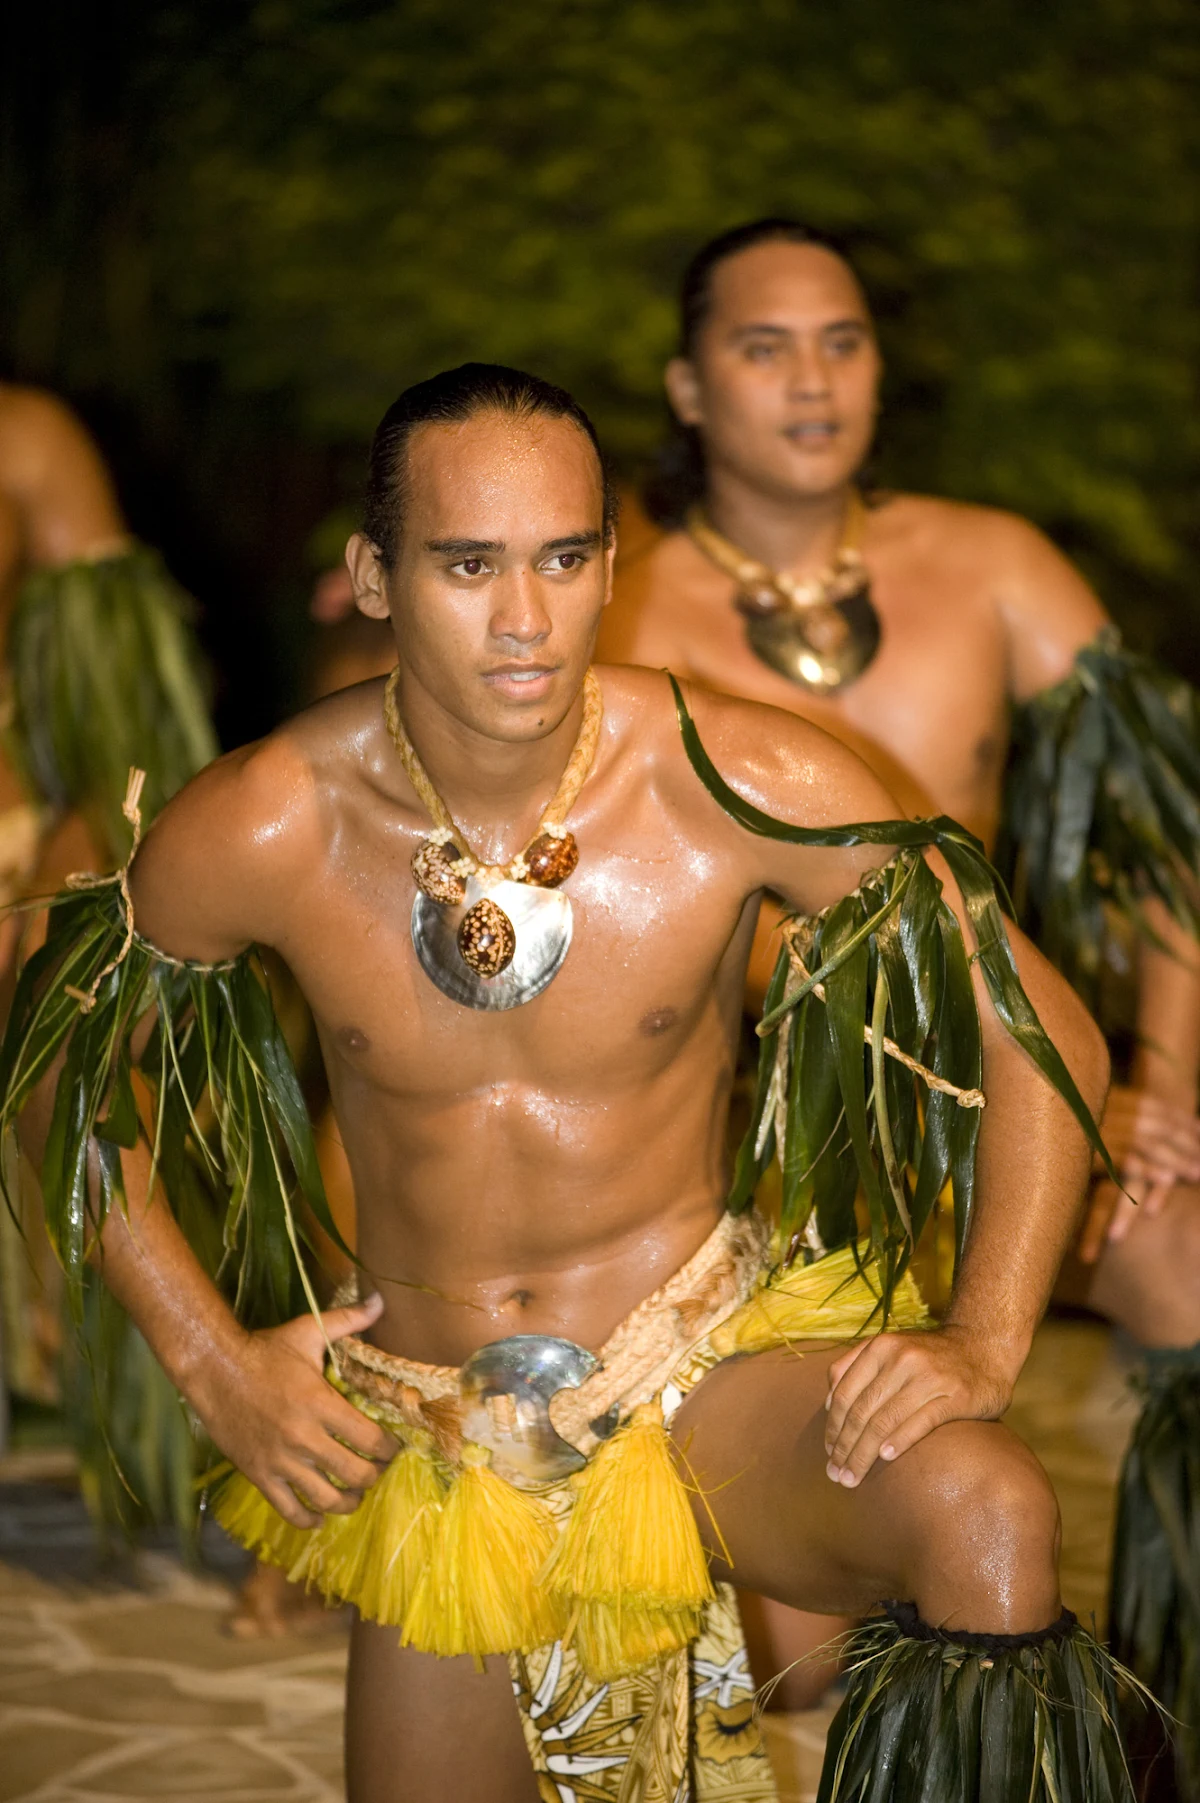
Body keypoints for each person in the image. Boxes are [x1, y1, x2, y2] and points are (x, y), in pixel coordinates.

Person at [1, 364, 1131, 1803]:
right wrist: (219, 1365)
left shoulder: (735, 776)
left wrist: (980, 1339)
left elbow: (1048, 1034)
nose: (525, 619)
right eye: (469, 563)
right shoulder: (273, 818)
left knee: (988, 1503)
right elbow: (61, 1069)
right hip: (442, 1434)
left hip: (701, 1371)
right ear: (375, 574)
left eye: (563, 557)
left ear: (611, 563)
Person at [596, 218, 1200, 1786]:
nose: (814, 378)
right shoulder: (615, 607)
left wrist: (1159, 1085)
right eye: (764, 345)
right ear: (686, 383)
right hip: (760, 1161)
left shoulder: (993, 564)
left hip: (1007, 1095)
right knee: (794, 1670)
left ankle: (1169, 1683)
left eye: (843, 340)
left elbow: (1166, 857)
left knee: (1189, 1258)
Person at [0, 383, 217, 1502]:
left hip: (12, 846)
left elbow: (122, 724)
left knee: (71, 946)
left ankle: (173, 1400)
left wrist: (72, 845)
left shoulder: (24, 439)